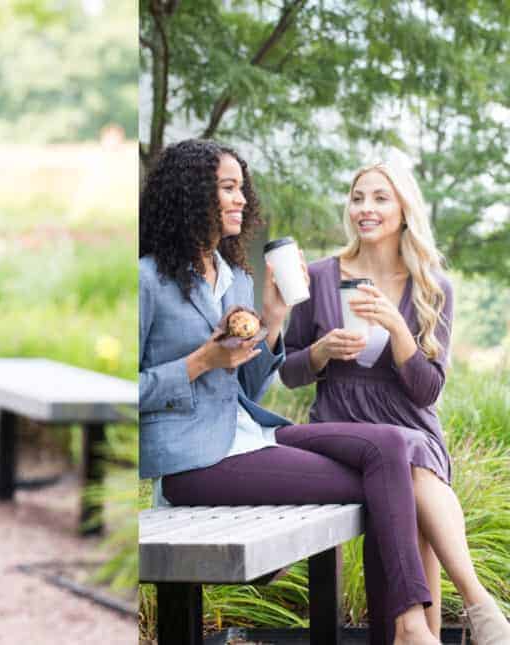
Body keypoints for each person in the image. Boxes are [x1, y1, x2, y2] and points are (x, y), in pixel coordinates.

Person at [139, 139, 441, 645]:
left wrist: (274, 319)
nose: (241, 200)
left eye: (242, 189)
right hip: (192, 464)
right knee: (389, 483)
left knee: (391, 444)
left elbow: (248, 383)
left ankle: (407, 623)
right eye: (228, 188)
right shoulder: (147, 281)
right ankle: (407, 626)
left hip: (248, 437)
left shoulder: (235, 278)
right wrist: (199, 363)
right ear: (192, 194)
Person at [279, 161, 510, 644]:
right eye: (358, 197)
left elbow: (427, 392)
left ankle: (426, 628)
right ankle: (475, 605)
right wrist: (321, 353)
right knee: (403, 457)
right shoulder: (318, 278)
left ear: (404, 210)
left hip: (410, 426)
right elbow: (287, 369)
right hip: (339, 429)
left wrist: (398, 328)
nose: (366, 208)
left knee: (408, 456)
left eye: (380, 198)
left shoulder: (432, 288)